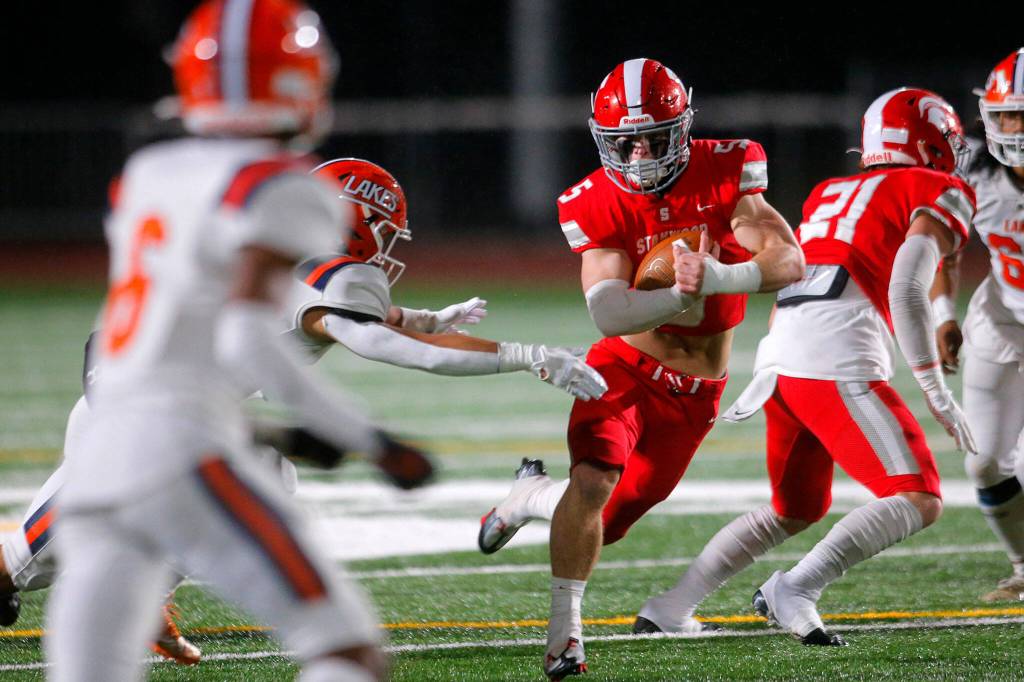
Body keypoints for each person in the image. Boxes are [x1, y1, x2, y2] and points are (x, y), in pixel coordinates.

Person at [43, 2, 430, 680]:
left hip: (98, 453)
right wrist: (369, 438)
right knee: (348, 653)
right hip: (179, 450)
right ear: (299, 82)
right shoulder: (282, 186)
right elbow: (249, 334)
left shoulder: (147, 173)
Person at [478, 58, 804, 679]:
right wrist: (681, 296)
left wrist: (722, 276)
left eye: (656, 135)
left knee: (614, 516)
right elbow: (607, 311)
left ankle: (526, 498)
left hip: (698, 392)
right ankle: (565, 633)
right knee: (594, 481)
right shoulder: (592, 201)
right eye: (626, 139)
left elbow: (790, 261)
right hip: (625, 368)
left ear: (684, 127)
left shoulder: (727, 169)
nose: (641, 152)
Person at [634, 87, 976, 646]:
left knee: (796, 507)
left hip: (781, 359)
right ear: (933, 143)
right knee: (917, 495)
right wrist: (935, 390)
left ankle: (672, 605)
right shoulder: (941, 187)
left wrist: (943, 313)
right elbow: (906, 280)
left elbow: (921, 262)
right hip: (834, 358)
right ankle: (796, 588)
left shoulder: (828, 191)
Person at [283, 157, 608, 401]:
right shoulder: (339, 278)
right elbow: (394, 346)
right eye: (383, 230)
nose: (384, 246)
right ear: (353, 222)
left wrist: (425, 320)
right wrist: (525, 356)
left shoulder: (284, 260)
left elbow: (345, 316)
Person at [932, 48, 1024, 602]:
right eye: (1005, 113)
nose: (1012, 127)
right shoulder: (972, 169)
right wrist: (944, 313)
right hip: (1001, 317)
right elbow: (942, 247)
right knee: (984, 460)